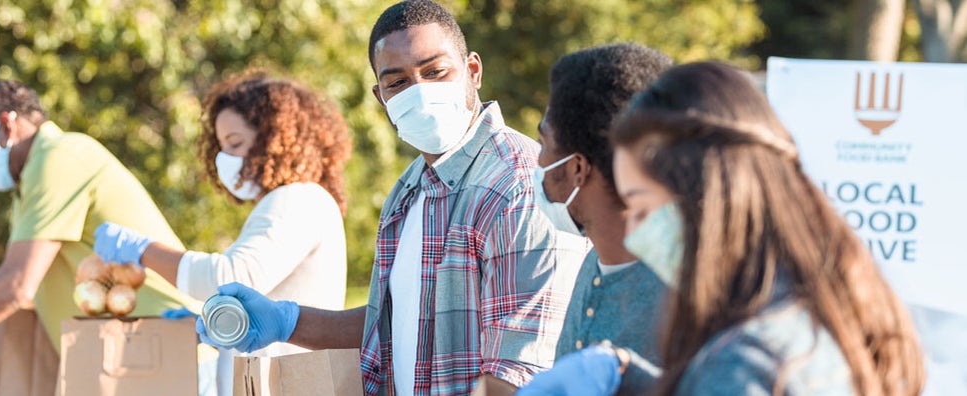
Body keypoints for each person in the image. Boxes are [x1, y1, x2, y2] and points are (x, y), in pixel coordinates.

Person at [195, 1, 588, 395]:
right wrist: (286, 321)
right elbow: (390, 327)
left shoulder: (518, 186)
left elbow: (522, 369)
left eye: (435, 71)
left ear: (472, 70)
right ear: (381, 97)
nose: (418, 92)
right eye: (397, 82)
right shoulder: (409, 191)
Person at [538, 61, 927, 395]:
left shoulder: (748, 359)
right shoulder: (814, 308)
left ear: (705, 196)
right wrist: (630, 376)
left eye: (640, 205)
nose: (634, 229)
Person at [0, 80, 207, 395]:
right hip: (130, 356)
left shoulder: (58, 157)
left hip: (164, 349)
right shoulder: (27, 188)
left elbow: (16, 286)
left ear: (6, 126)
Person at [93, 71, 352, 357]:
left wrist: (143, 250)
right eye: (222, 147)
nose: (224, 158)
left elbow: (234, 276)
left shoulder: (297, 199)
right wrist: (214, 326)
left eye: (235, 143)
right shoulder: (294, 200)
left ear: (275, 137)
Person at [514, 43, 672, 396]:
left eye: (544, 144)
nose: (537, 162)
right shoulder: (593, 264)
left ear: (577, 168)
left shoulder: (688, 291)